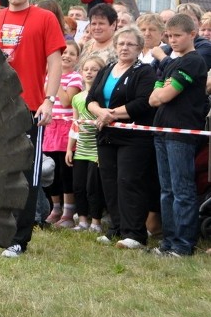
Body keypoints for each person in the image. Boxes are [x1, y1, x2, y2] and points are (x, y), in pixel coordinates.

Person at [0, 0, 65, 257]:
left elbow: (55, 62)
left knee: (27, 175)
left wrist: (50, 100)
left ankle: (20, 237)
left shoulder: (45, 19)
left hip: (29, 107)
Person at [87, 26, 157, 249]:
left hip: (133, 136)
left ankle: (135, 234)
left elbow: (143, 102)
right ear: (115, 46)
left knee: (129, 181)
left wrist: (111, 115)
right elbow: (91, 98)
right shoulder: (107, 68)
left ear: (139, 48)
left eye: (130, 44)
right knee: (109, 181)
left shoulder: (144, 71)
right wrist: (100, 113)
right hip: (106, 134)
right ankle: (116, 228)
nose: (125, 48)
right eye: (121, 43)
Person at [149, 14, 207, 257]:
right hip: (162, 130)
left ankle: (183, 244)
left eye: (177, 36)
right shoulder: (171, 62)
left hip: (181, 132)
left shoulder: (193, 62)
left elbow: (163, 96)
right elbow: (153, 99)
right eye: (169, 36)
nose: (172, 40)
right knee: (167, 190)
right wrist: (163, 89)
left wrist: (164, 89)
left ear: (192, 34)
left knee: (182, 189)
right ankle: (168, 242)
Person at [42, 41, 83, 228]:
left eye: (71, 54)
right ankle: (55, 207)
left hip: (66, 128)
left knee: (65, 170)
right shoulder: (46, 76)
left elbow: (66, 101)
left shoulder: (75, 78)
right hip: (50, 126)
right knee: (51, 170)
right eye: (63, 53)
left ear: (77, 58)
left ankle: (68, 210)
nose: (66, 56)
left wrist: (55, 80)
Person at [65, 55, 106, 232]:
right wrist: (69, 148)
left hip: (96, 150)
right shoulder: (77, 98)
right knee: (79, 186)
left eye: (94, 69)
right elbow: (75, 123)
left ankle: (96, 222)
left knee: (93, 187)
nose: (89, 72)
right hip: (80, 148)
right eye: (86, 69)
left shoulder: (102, 96)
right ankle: (82, 220)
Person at [78, 3, 118, 67]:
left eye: (101, 23)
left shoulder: (119, 48)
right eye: (93, 24)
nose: (97, 28)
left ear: (113, 25)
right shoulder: (87, 45)